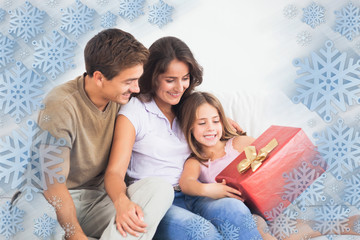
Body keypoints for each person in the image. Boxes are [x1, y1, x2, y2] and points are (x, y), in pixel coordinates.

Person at [105, 36, 262, 240]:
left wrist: (223, 120)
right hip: (159, 201)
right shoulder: (134, 112)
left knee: (236, 211)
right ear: (152, 77)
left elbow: (209, 120)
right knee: (202, 232)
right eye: (170, 80)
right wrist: (121, 202)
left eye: (185, 78)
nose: (179, 87)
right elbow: (114, 173)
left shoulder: (187, 106)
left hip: (195, 192)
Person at [38, 28, 174, 240]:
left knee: (160, 189)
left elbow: (170, 97)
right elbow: (52, 186)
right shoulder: (60, 106)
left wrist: (214, 118)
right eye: (129, 82)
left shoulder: (121, 97)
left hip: (98, 199)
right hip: (56, 205)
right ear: (99, 78)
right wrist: (75, 235)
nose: (137, 89)